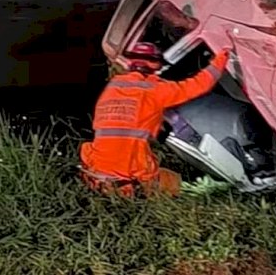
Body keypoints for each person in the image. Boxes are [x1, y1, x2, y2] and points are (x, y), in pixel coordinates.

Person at [79, 41, 230, 198]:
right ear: (154, 63)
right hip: (123, 179)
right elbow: (199, 85)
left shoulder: (114, 86)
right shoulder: (155, 90)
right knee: (177, 183)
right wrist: (222, 57)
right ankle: (210, 189)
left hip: (96, 172)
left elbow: (130, 118)